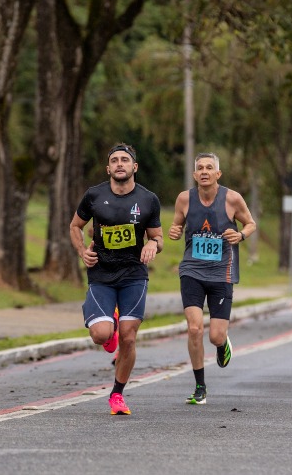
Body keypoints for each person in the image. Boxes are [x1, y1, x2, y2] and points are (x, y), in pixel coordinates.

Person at [69, 143, 163, 416]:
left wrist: (152, 245)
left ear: (134, 167)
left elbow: (157, 237)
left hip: (134, 274)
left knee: (129, 338)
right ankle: (106, 327)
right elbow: (76, 226)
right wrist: (81, 251)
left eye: (125, 160)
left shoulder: (148, 199)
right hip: (101, 273)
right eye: (114, 160)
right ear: (108, 168)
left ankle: (117, 395)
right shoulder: (93, 196)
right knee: (101, 335)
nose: (120, 164)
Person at [169, 152, 256, 405]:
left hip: (222, 273)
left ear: (218, 174)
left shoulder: (232, 198)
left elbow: (250, 223)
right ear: (195, 175)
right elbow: (176, 227)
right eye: (200, 168)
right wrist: (174, 231)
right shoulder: (184, 199)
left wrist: (241, 236)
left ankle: (222, 344)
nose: (204, 171)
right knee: (194, 328)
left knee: (215, 336)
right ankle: (200, 387)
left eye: (209, 167)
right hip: (191, 271)